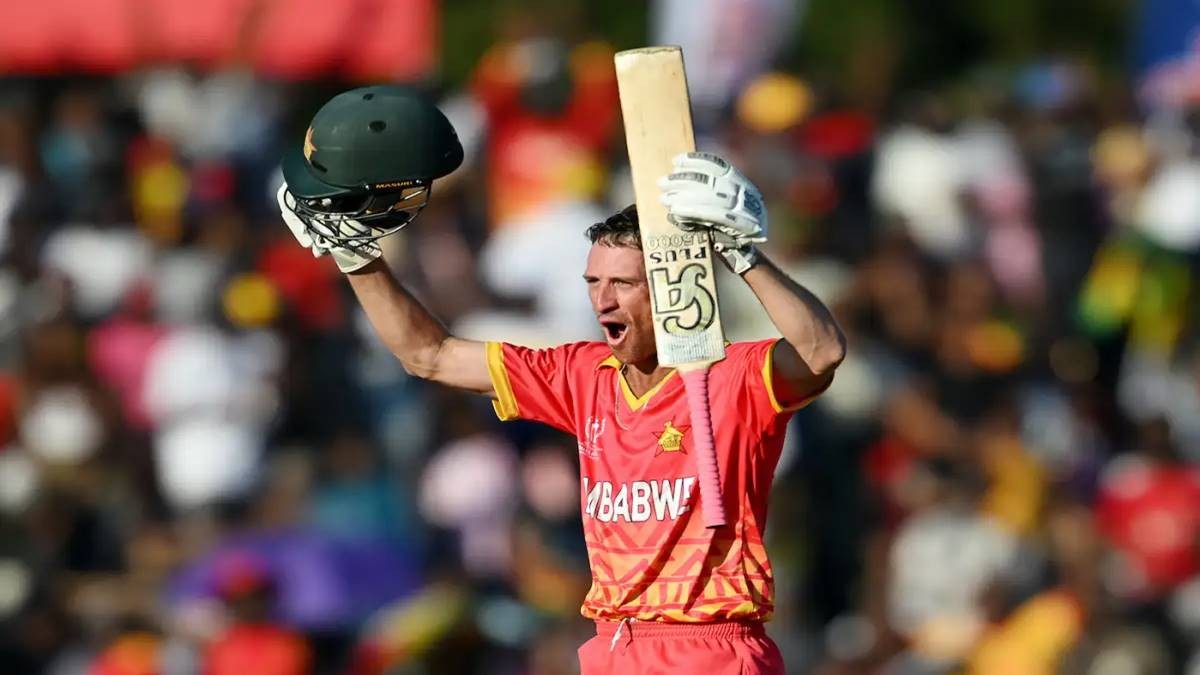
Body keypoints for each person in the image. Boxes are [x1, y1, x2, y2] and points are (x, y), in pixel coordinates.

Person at [277, 84, 845, 675]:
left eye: (623, 284)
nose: (603, 301)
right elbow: (430, 355)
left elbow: (822, 350)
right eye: (593, 284)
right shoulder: (582, 375)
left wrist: (742, 254)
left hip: (708, 648)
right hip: (612, 648)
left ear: (671, 287)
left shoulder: (728, 377)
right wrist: (353, 256)